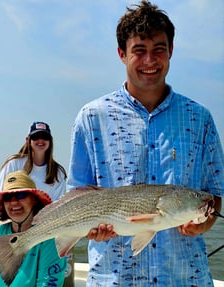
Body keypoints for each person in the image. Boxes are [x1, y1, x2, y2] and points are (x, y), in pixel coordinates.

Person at [67, 1, 224, 286]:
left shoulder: (199, 119)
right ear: (122, 54)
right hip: (113, 279)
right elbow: (78, 195)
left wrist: (205, 221)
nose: (150, 60)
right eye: (139, 50)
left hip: (185, 277)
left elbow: (214, 194)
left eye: (159, 50)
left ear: (171, 52)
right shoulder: (91, 117)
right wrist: (90, 229)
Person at [0, 170, 67, 287]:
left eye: (20, 195)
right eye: (7, 197)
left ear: (34, 200)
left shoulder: (50, 240)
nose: (13, 202)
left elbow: (49, 283)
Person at [0, 121, 67, 201]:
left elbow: (56, 205)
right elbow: (0, 196)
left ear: (51, 140)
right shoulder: (14, 164)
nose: (40, 140)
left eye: (45, 137)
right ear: (28, 140)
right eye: (36, 137)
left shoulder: (58, 172)